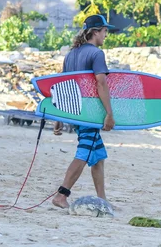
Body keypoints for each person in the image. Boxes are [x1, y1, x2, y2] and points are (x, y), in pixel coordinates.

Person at [52, 15, 116, 209]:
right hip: (89, 113)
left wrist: (60, 116)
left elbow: (64, 85)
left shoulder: (71, 54)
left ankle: (102, 200)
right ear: (95, 32)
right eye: (105, 31)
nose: (106, 35)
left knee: (97, 156)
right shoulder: (96, 54)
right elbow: (101, 82)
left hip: (75, 112)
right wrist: (109, 113)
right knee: (84, 152)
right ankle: (61, 195)